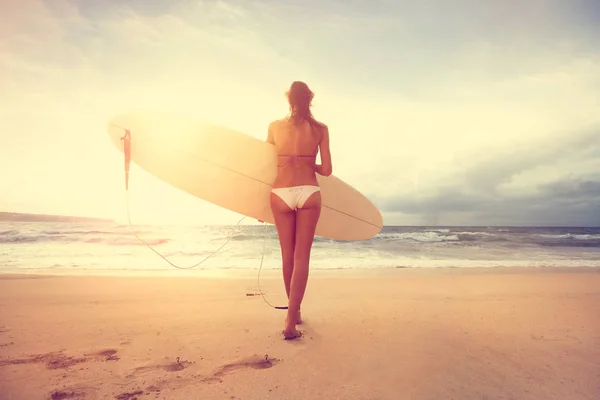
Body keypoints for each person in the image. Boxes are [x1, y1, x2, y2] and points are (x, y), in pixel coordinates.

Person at [266, 81, 333, 340]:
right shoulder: (321, 129)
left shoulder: (274, 127)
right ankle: (289, 321)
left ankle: (295, 313)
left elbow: (263, 163)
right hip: (309, 192)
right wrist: (309, 165)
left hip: (280, 192)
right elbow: (327, 170)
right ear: (310, 99)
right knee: (302, 257)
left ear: (288, 100)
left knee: (287, 255)